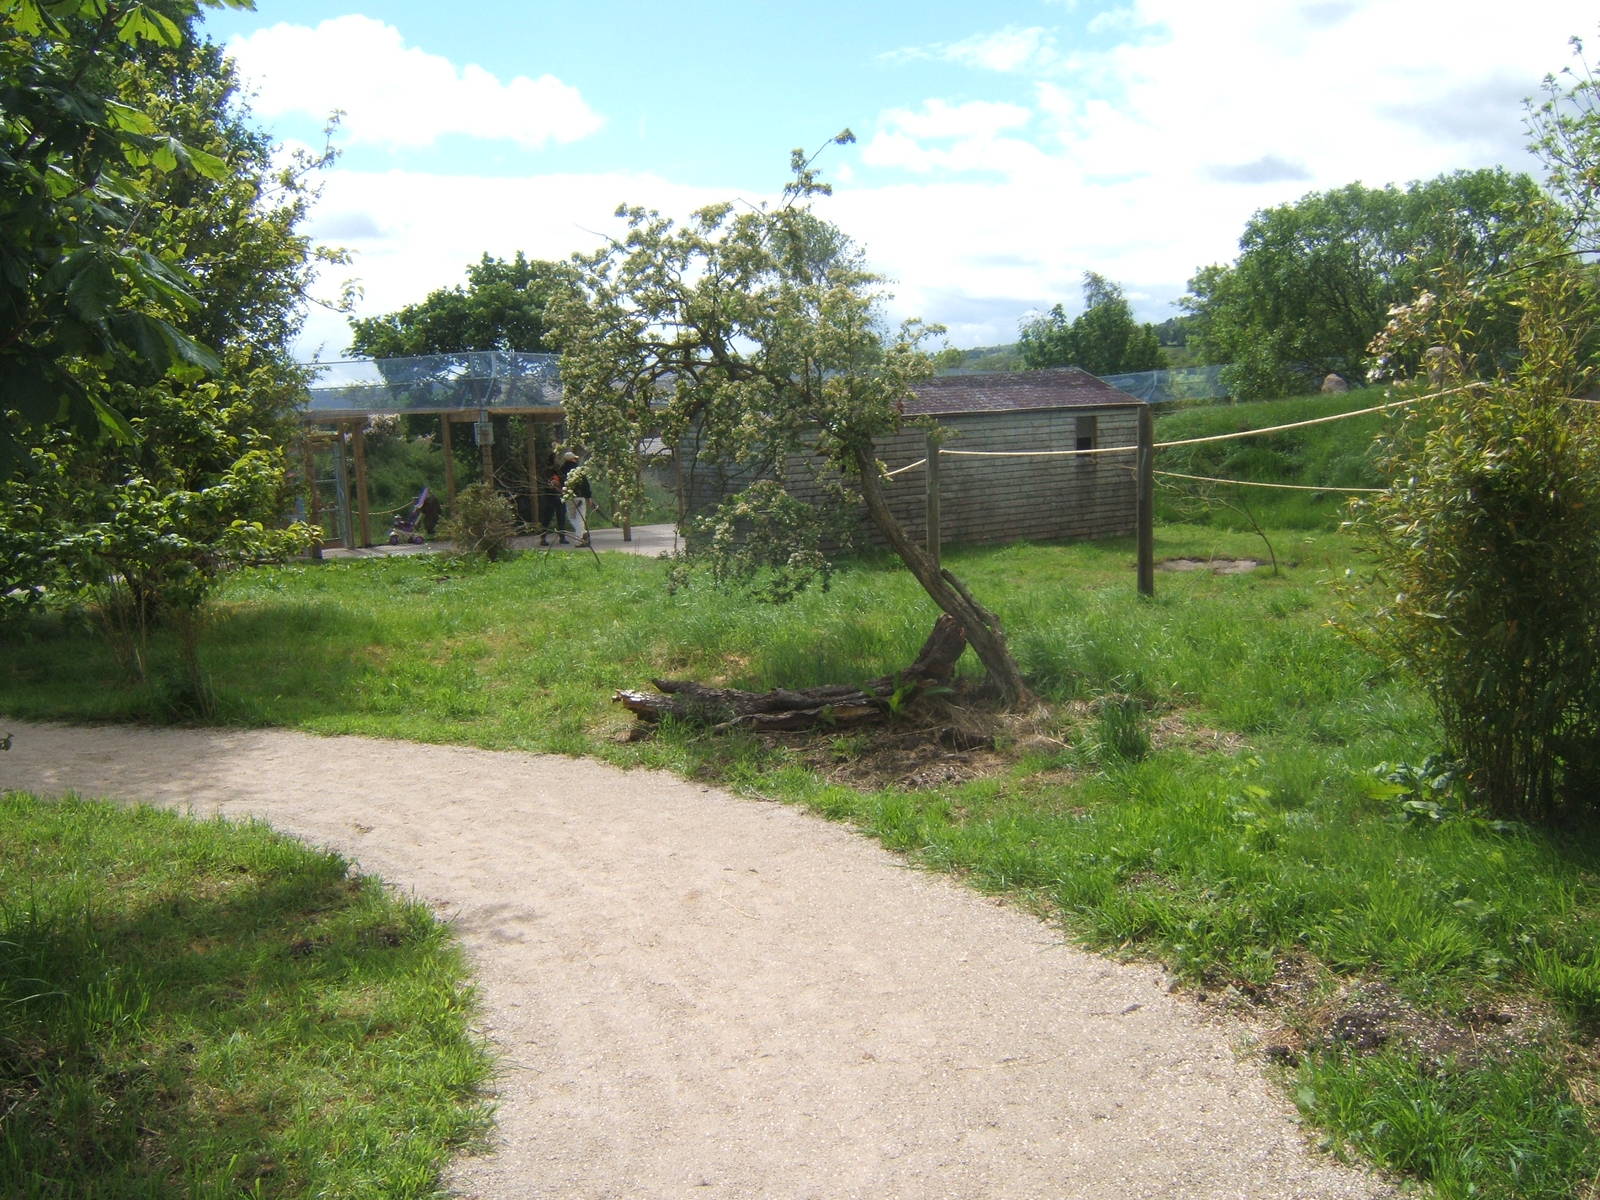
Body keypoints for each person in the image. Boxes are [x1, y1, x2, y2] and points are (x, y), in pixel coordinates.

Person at [559, 450, 592, 547]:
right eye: (574, 458)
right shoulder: (578, 469)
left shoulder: (561, 470)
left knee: (571, 518)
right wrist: (588, 497)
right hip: (580, 497)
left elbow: (560, 483)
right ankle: (579, 540)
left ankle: (583, 534)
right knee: (580, 519)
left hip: (568, 497)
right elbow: (585, 484)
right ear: (573, 459)